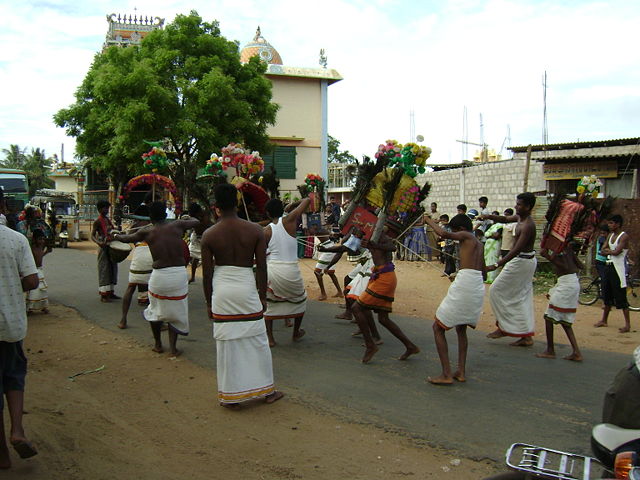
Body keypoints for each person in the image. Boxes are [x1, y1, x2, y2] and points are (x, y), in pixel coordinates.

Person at [200, 183, 284, 408]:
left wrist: (209, 302)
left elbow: (206, 275)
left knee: (228, 344)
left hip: (222, 291)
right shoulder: (255, 230)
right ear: (238, 203)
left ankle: (231, 396)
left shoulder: (209, 235)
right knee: (257, 340)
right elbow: (262, 268)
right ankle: (267, 391)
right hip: (247, 288)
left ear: (216, 207)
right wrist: (263, 296)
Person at [113, 202, 199, 355]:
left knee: (155, 310)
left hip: (159, 276)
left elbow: (125, 239)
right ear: (166, 215)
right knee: (176, 312)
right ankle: (173, 348)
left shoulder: (147, 232)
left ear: (150, 217)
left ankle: (158, 344)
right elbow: (196, 222)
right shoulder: (177, 225)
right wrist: (184, 219)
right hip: (179, 275)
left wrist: (114, 234)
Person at [0, 187, 39, 469]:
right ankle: (17, 430)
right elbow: (32, 282)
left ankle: (1, 452)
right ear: (2, 206)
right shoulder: (15, 239)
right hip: (10, 323)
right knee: (13, 377)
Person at [424, 214, 485, 385]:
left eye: (455, 231)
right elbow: (483, 271)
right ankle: (461, 371)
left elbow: (443, 235)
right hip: (476, 284)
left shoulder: (466, 235)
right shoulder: (479, 243)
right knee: (461, 329)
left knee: (438, 327)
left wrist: (428, 220)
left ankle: (446, 374)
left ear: (461, 229)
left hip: (466, 283)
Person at [351, 231, 420, 363]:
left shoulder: (381, 235)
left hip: (384, 278)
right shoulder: (370, 235)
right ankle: (410, 346)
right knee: (383, 318)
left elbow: (392, 247)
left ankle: (371, 345)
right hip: (380, 275)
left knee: (357, 308)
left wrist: (374, 245)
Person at [482, 192, 538, 346]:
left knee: (496, 290)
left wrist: (496, 265)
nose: (516, 206)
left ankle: (504, 327)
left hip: (522, 262)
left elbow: (516, 250)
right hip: (522, 261)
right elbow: (505, 219)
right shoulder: (520, 218)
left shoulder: (528, 225)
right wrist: (488, 217)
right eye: (516, 203)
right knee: (520, 297)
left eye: (519, 204)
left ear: (528, 207)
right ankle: (523, 335)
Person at [263, 198, 310, 347]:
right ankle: (295, 332)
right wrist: (295, 204)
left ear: (268, 213)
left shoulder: (266, 230)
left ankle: (270, 338)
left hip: (273, 270)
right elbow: (308, 200)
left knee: (270, 304)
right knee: (300, 300)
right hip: (291, 269)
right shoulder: (289, 220)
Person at [535, 244, 583, 362]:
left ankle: (550, 350)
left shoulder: (561, 249)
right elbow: (580, 265)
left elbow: (565, 266)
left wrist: (549, 256)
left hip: (566, 285)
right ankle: (576, 352)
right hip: (570, 283)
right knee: (564, 321)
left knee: (549, 317)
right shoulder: (567, 248)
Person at [594, 215, 631, 333]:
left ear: (618, 224)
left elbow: (616, 252)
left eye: (611, 223)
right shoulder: (610, 235)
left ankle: (627, 324)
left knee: (621, 297)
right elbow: (603, 249)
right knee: (607, 294)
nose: (609, 225)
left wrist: (609, 252)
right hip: (608, 267)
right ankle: (604, 320)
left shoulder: (623, 236)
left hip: (618, 269)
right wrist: (610, 252)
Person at [119, 205, 153, 329]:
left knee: (131, 287)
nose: (137, 222)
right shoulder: (151, 228)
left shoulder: (136, 229)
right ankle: (158, 321)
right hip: (149, 259)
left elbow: (129, 238)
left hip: (138, 259)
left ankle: (123, 319)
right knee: (154, 291)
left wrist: (117, 235)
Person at [91, 200, 120, 302]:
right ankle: (104, 295)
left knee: (112, 269)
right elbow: (92, 235)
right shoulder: (98, 221)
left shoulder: (107, 220)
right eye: (104, 208)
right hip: (103, 248)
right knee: (104, 270)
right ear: (99, 209)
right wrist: (99, 243)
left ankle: (110, 292)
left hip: (110, 246)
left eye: (107, 208)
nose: (106, 210)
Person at [187, 202, 214, 283]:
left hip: (206, 236)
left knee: (211, 258)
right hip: (197, 237)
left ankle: (211, 276)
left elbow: (208, 224)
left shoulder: (205, 214)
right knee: (194, 257)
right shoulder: (193, 217)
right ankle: (192, 277)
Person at [26, 230, 51, 314]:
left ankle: (43, 306)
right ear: (34, 239)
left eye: (43, 239)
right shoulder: (32, 248)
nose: (42, 241)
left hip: (40, 269)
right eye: (40, 239)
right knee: (34, 290)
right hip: (34, 269)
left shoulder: (41, 246)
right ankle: (30, 307)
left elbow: (40, 256)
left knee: (42, 289)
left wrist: (46, 252)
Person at [314, 233, 344, 300]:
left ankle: (323, 294)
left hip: (328, 251)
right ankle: (340, 292)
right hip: (330, 249)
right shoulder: (324, 231)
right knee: (331, 273)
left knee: (317, 272)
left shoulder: (320, 229)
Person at [483, 211, 503, 284]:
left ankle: (493, 278)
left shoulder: (500, 226)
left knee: (493, 259)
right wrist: (492, 235)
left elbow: (497, 236)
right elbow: (485, 234)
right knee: (487, 260)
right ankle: (487, 277)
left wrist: (489, 235)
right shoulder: (489, 225)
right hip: (488, 246)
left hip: (495, 245)